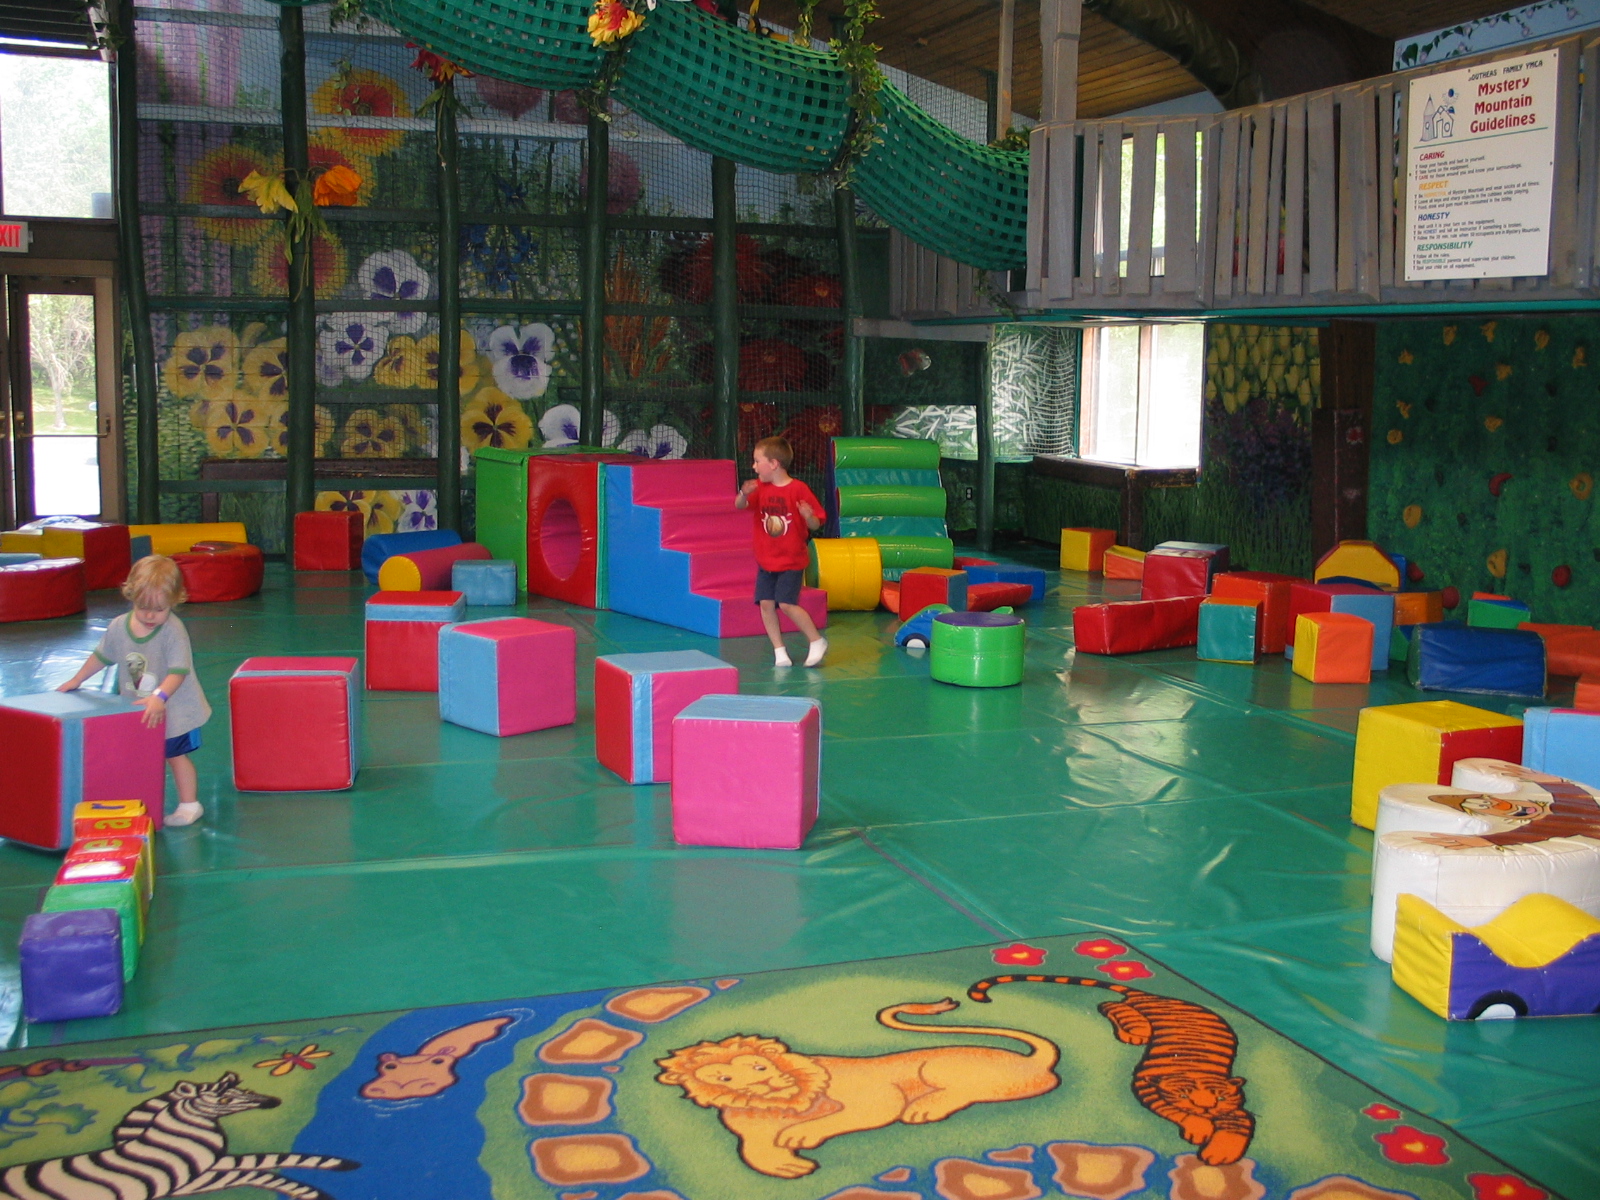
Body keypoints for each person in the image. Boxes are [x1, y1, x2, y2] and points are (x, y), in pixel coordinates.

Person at [57, 555, 212, 827]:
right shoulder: (119, 626)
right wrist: (77, 679)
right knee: (136, 753)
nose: (150, 616)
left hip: (175, 707)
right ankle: (135, 799)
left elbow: (178, 672)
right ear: (131, 596)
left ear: (175, 601)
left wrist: (159, 697)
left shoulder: (173, 631)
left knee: (174, 755)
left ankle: (190, 804)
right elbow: (102, 656)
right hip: (139, 707)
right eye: (143, 607)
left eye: (159, 609)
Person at [735, 436, 827, 667]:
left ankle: (816, 640)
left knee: (786, 604)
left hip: (791, 560)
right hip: (766, 559)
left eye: (758, 461)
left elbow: (815, 523)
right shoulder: (760, 488)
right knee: (766, 604)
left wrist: (808, 516)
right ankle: (779, 651)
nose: (754, 466)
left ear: (774, 464)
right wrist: (743, 494)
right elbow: (739, 506)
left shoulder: (798, 489)